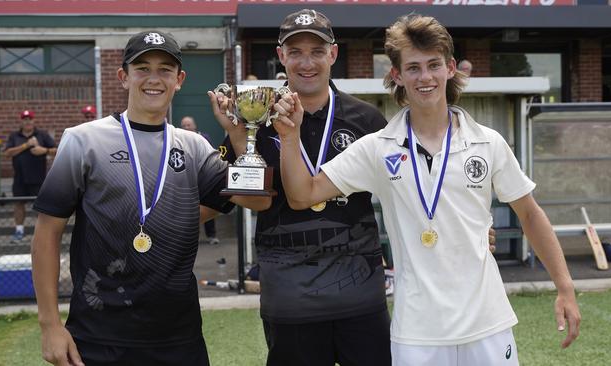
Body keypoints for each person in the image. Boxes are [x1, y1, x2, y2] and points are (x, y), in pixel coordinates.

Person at [272, 14, 580, 366]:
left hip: (487, 324)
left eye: (433, 65)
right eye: (413, 68)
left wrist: (565, 287)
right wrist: (290, 136)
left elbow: (530, 214)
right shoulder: (378, 147)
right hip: (417, 332)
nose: (425, 77)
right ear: (397, 76)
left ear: (450, 68)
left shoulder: (487, 142)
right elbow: (303, 194)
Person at [209, 9, 496, 366]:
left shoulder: (367, 121)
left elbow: (415, 191)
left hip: (360, 299)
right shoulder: (255, 116)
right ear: (281, 56)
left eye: (317, 51)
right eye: (295, 52)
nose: (306, 62)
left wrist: (470, 229)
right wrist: (238, 139)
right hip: (290, 298)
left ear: (333, 54)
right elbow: (253, 203)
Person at [31, 30, 270, 366]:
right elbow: (46, 232)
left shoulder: (194, 147)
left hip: (178, 337)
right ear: (123, 76)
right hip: (99, 333)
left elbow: (257, 201)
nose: (153, 79)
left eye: (165, 70)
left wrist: (236, 134)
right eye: (142, 68)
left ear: (179, 79)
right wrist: (50, 324)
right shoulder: (84, 141)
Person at [3, 110, 57, 243]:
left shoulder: (42, 135)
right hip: (20, 178)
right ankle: (19, 231)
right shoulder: (14, 136)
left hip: (39, 178)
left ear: (34, 121)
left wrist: (43, 150)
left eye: (30, 119)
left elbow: (57, 150)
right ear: (21, 121)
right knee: (19, 204)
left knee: (42, 207)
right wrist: (26, 145)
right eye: (25, 119)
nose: (27, 122)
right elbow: (7, 153)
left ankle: (43, 234)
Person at [180, 115, 220, 245]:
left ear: (194, 126)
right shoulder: (178, 139)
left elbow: (212, 157)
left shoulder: (204, 138)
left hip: (202, 179)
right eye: (184, 125)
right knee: (187, 210)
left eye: (188, 125)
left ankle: (212, 235)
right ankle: (189, 238)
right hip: (186, 180)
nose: (186, 127)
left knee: (206, 206)